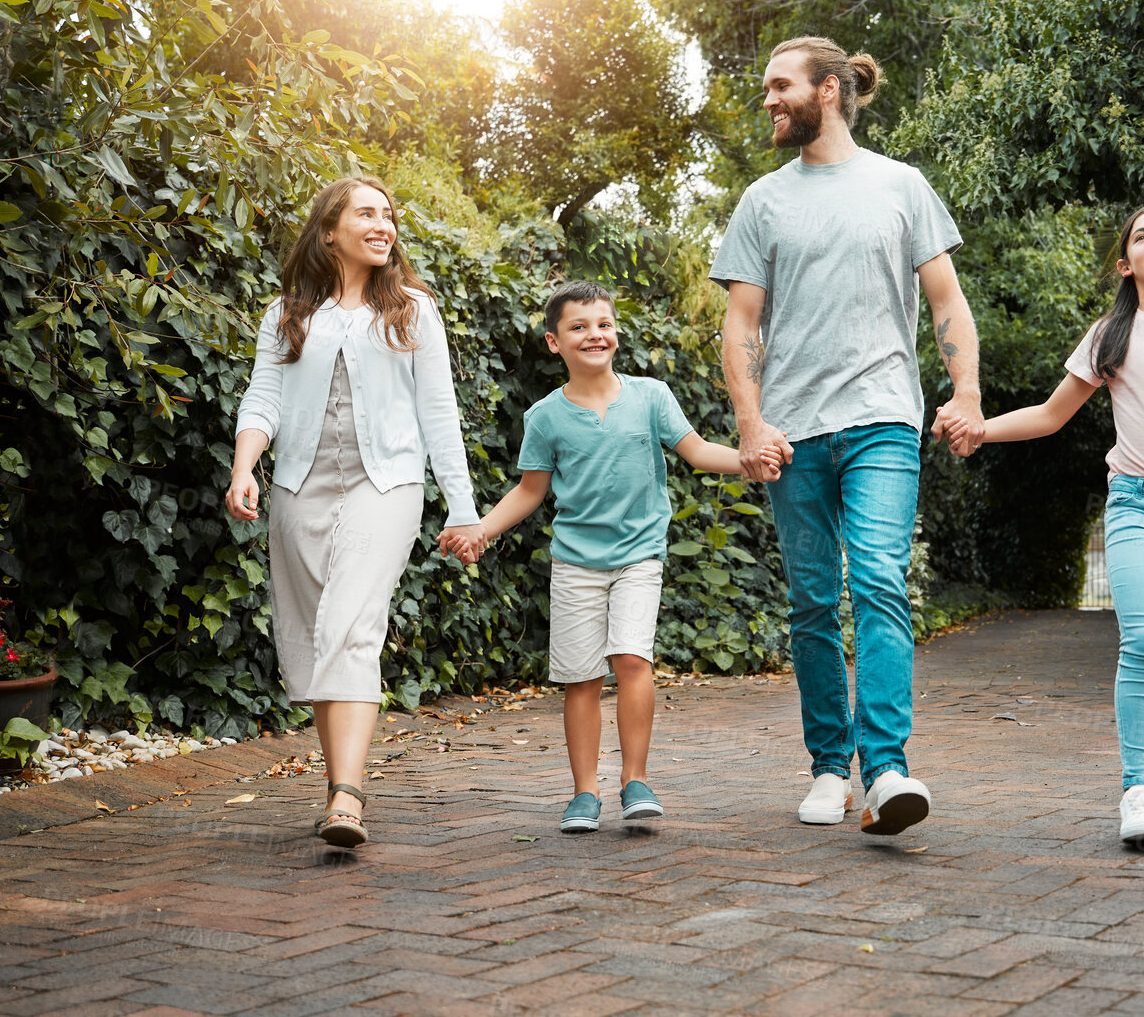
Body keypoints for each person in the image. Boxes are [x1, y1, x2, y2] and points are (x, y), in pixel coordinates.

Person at [940, 200, 1144, 848]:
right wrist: (981, 429)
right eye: (1142, 236)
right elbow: (1048, 415)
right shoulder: (1109, 337)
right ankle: (1134, 788)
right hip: (1136, 507)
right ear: (1126, 266)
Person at [712, 36, 984, 835]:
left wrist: (965, 391)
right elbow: (741, 322)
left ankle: (887, 768)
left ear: (827, 90)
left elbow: (946, 301)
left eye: (780, 86)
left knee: (877, 583)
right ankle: (829, 766)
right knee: (812, 602)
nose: (769, 99)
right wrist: (751, 423)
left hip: (883, 421)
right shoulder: (763, 200)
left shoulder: (901, 186)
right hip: (793, 434)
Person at [227, 175, 487, 848]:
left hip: (387, 485)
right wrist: (244, 467)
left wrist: (462, 507)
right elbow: (262, 400)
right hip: (299, 489)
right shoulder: (288, 313)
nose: (383, 225)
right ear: (329, 230)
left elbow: (439, 415)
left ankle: (349, 794)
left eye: (389, 215)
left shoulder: (412, 311)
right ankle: (338, 789)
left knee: (352, 622)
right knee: (318, 635)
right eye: (366, 213)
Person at [466, 281, 781, 834]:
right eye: (579, 327)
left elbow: (699, 452)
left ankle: (635, 780)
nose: (595, 334)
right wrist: (482, 530)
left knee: (632, 659)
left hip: (639, 556)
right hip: (575, 564)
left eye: (604, 324)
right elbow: (530, 491)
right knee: (581, 678)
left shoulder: (651, 396)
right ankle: (584, 793)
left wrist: (748, 459)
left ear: (617, 333)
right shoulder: (544, 417)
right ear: (553, 342)